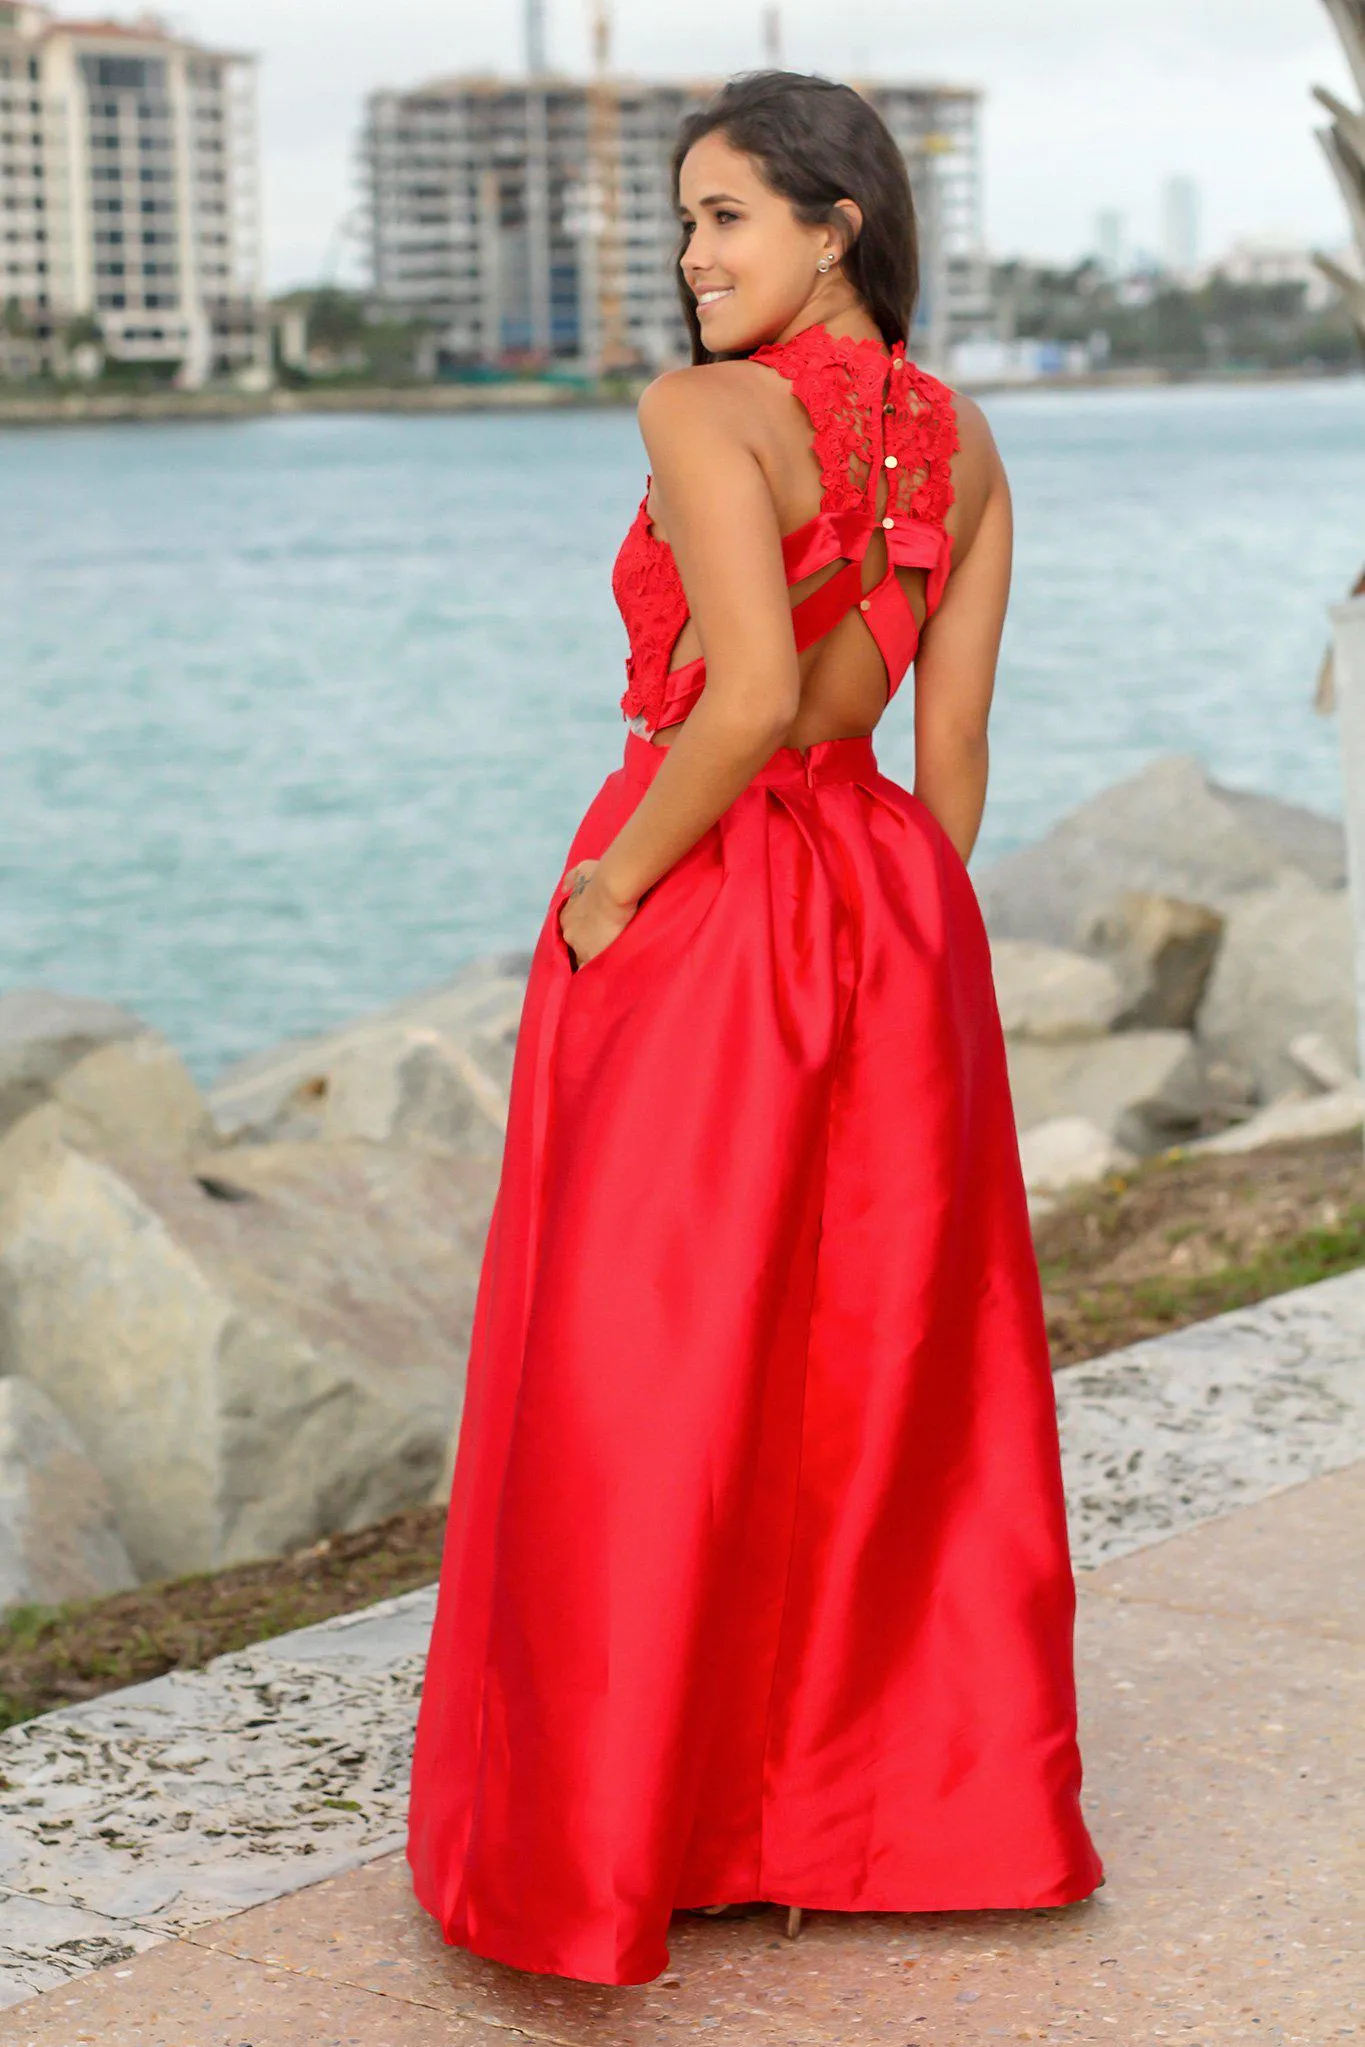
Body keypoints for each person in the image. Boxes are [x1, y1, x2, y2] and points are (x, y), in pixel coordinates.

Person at [406, 67, 1105, 1989]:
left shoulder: (703, 410)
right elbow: (944, 751)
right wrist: (898, 948)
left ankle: (618, 1836)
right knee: (868, 1378)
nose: (692, 258)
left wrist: (613, 892)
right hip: (892, 903)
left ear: (837, 225)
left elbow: (734, 703)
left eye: (724, 218)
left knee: (639, 1354)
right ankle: (859, 1812)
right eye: (691, 221)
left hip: (711, 891)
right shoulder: (960, 446)